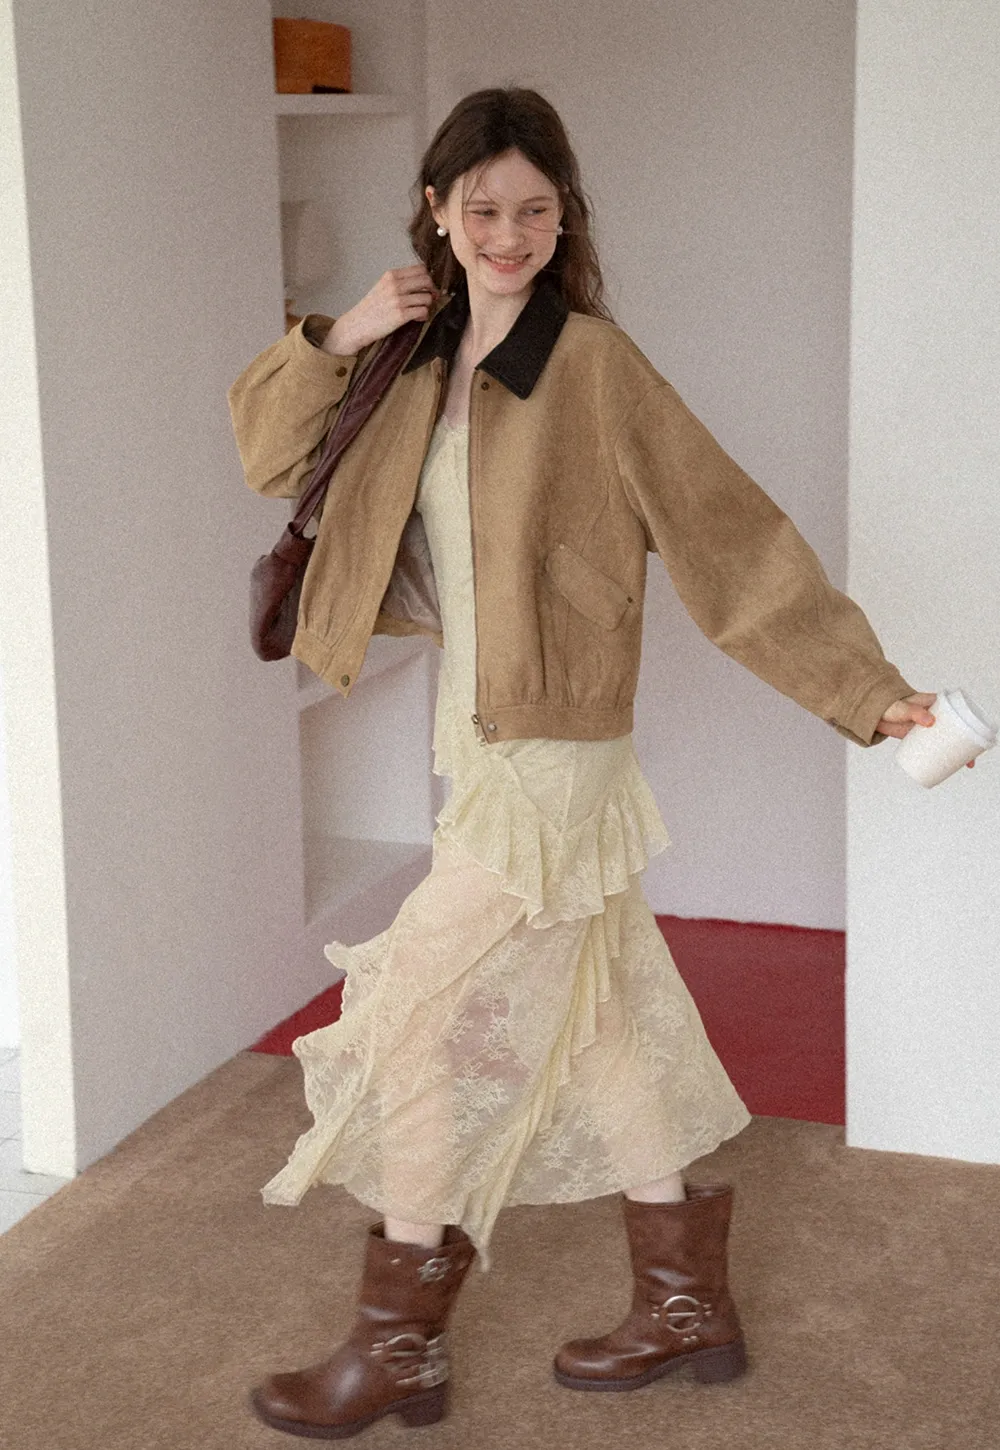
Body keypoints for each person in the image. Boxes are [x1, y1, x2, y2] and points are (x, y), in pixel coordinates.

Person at [228, 86, 943, 1440]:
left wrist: (865, 687)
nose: (509, 235)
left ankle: (396, 1347)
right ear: (437, 212)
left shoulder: (595, 366)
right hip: (477, 738)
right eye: (482, 208)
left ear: (566, 220)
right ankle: (687, 1308)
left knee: (415, 1017)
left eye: (535, 211)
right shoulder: (410, 356)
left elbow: (729, 533)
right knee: (605, 1019)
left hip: (555, 752)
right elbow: (271, 456)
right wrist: (340, 332)